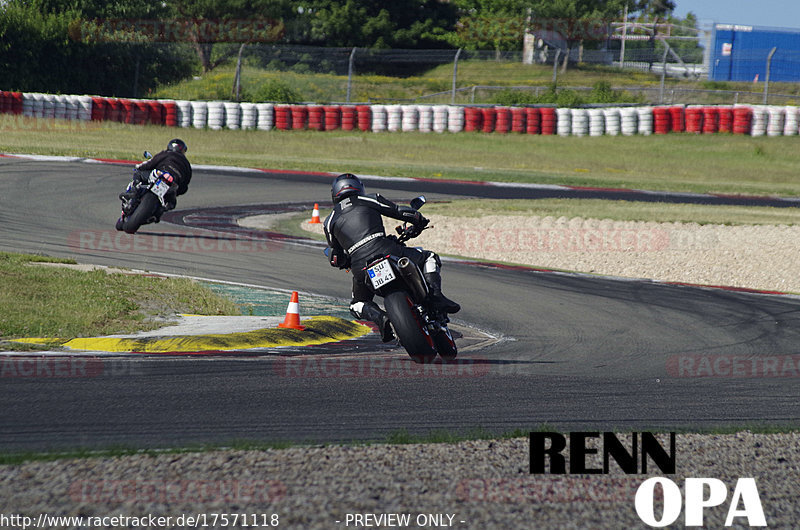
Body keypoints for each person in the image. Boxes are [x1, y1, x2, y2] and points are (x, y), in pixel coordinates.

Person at [324, 173, 460, 342]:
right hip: (385, 249)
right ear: (359, 188)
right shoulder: (369, 199)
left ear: (334, 193)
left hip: (360, 266)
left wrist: (345, 261)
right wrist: (419, 220)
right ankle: (435, 296)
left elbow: (335, 258)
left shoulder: (329, 222)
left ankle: (381, 319)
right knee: (429, 257)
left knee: (356, 304)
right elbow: (400, 212)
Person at [116, 138, 192, 229]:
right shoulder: (187, 164)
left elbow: (152, 163)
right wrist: (177, 191)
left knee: (139, 173)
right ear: (183, 150)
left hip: (160, 174)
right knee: (170, 204)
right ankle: (155, 213)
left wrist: (141, 167)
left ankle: (133, 191)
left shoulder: (166, 154)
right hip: (173, 183)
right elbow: (185, 187)